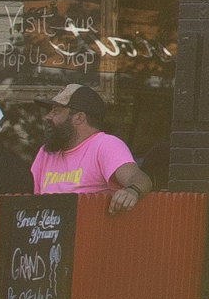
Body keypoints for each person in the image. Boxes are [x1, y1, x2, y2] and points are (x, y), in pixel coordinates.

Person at [30, 82, 153, 213]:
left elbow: (139, 178)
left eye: (56, 111)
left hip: (91, 228)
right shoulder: (46, 152)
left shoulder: (105, 144)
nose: (48, 116)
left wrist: (131, 191)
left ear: (79, 118)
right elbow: (33, 202)